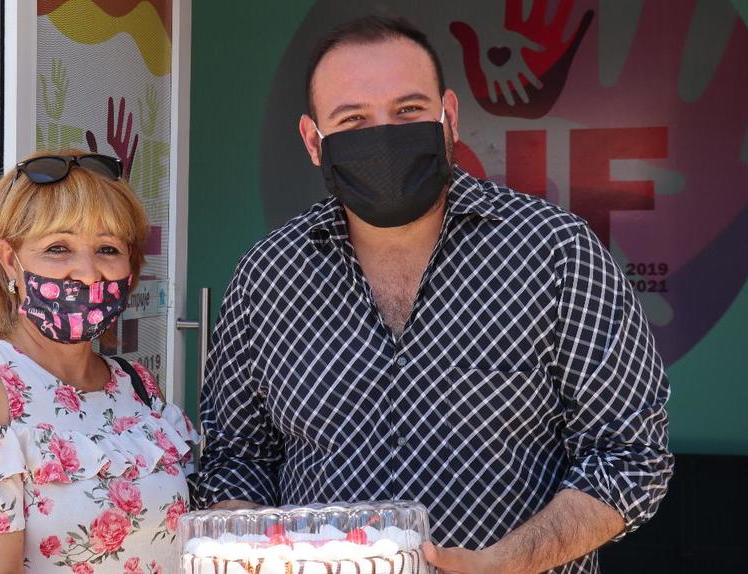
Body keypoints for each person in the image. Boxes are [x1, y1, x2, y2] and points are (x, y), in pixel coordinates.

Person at [193, 15, 672, 574]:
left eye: (408, 110)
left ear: (449, 116)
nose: (383, 135)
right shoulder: (268, 276)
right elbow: (237, 459)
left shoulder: (555, 253)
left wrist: (507, 563)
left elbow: (629, 455)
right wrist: (254, 554)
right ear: (313, 140)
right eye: (353, 118)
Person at [0, 151, 197, 574]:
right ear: (10, 261)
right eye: (58, 248)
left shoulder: (138, 387)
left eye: (108, 248)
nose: (88, 273)